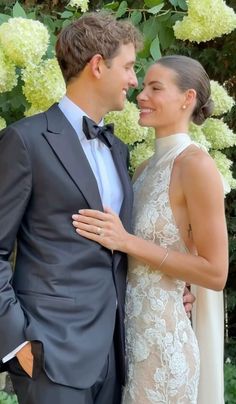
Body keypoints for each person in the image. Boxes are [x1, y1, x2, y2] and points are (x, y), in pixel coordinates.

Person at [0, 13, 195, 404]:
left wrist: (172, 287)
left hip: (116, 353)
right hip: (50, 354)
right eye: (126, 66)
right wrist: (15, 341)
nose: (133, 81)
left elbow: (119, 244)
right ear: (96, 66)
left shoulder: (117, 149)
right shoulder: (25, 141)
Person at [72, 55, 229, 403]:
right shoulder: (142, 169)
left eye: (155, 88)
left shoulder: (197, 166)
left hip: (163, 350)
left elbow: (216, 273)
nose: (141, 95)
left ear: (187, 98)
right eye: (142, 86)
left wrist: (127, 242)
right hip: (125, 345)